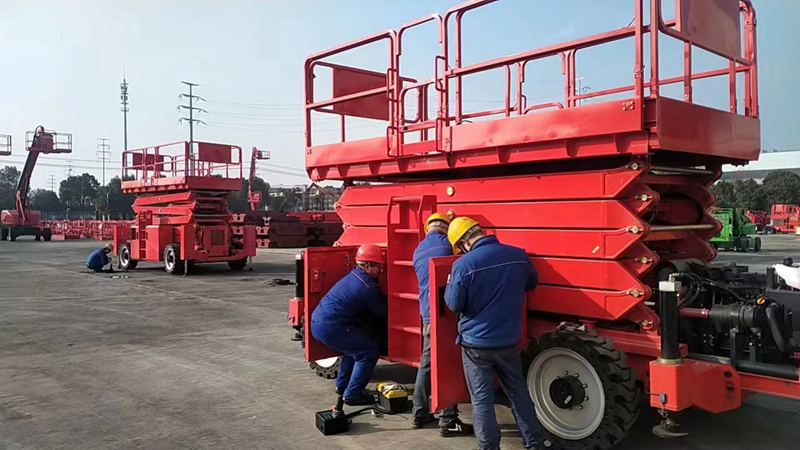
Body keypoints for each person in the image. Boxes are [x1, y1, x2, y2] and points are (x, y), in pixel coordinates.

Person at [444, 217, 549, 450]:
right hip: (508, 339)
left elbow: (454, 304)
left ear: (463, 243)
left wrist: (451, 283)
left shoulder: (463, 264)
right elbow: (531, 283)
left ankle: (489, 447)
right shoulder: (518, 255)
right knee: (519, 394)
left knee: (482, 400)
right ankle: (535, 444)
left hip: (476, 345)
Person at [411, 213, 473, 436]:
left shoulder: (418, 249)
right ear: (446, 228)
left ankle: (419, 413)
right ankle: (448, 420)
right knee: (447, 364)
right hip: (446, 315)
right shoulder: (449, 245)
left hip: (427, 315)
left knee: (427, 363)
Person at [310, 243, 387, 405]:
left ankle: (342, 386)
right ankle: (353, 394)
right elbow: (382, 312)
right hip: (332, 327)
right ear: (366, 265)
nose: (380, 270)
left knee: (352, 351)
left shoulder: (354, 275)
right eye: (378, 266)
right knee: (368, 351)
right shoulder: (367, 286)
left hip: (318, 322)